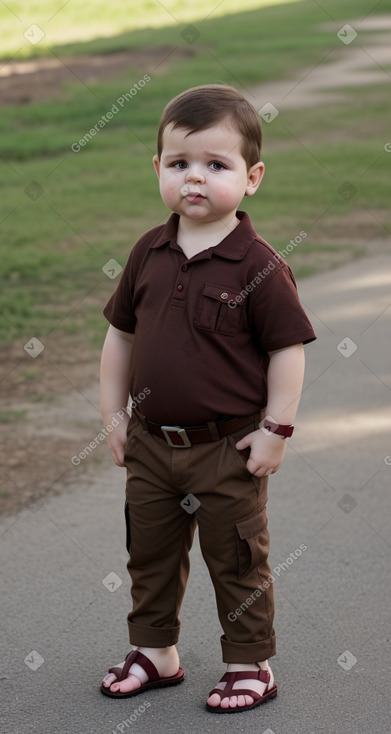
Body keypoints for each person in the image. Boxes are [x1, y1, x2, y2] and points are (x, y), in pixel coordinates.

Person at [100, 83, 316, 714]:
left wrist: (277, 429)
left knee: (237, 559)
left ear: (252, 178)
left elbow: (287, 351)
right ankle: (156, 652)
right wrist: (113, 416)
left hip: (227, 449)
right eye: (179, 164)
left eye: (215, 166)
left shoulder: (260, 265)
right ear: (158, 170)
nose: (195, 179)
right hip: (152, 445)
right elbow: (119, 338)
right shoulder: (148, 251)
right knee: (150, 553)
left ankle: (251, 664)